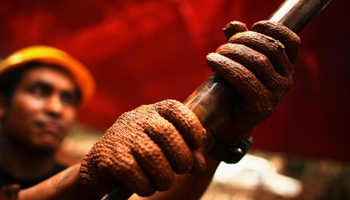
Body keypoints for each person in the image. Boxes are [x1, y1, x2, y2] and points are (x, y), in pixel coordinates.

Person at [0, 20, 300, 200]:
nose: (55, 108)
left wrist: (221, 136)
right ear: (2, 102)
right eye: (40, 91)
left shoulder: (79, 179)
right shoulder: (87, 180)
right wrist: (87, 175)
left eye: (67, 99)